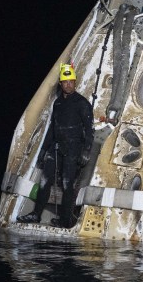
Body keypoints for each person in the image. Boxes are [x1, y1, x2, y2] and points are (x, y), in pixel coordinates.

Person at [17, 63, 94, 228]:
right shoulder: (57, 103)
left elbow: (89, 130)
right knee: (45, 181)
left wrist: (86, 150)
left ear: (75, 82)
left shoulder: (82, 103)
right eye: (65, 82)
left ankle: (65, 219)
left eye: (71, 81)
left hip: (73, 149)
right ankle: (36, 214)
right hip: (56, 147)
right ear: (61, 83)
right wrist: (44, 151)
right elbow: (52, 129)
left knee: (67, 184)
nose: (68, 85)